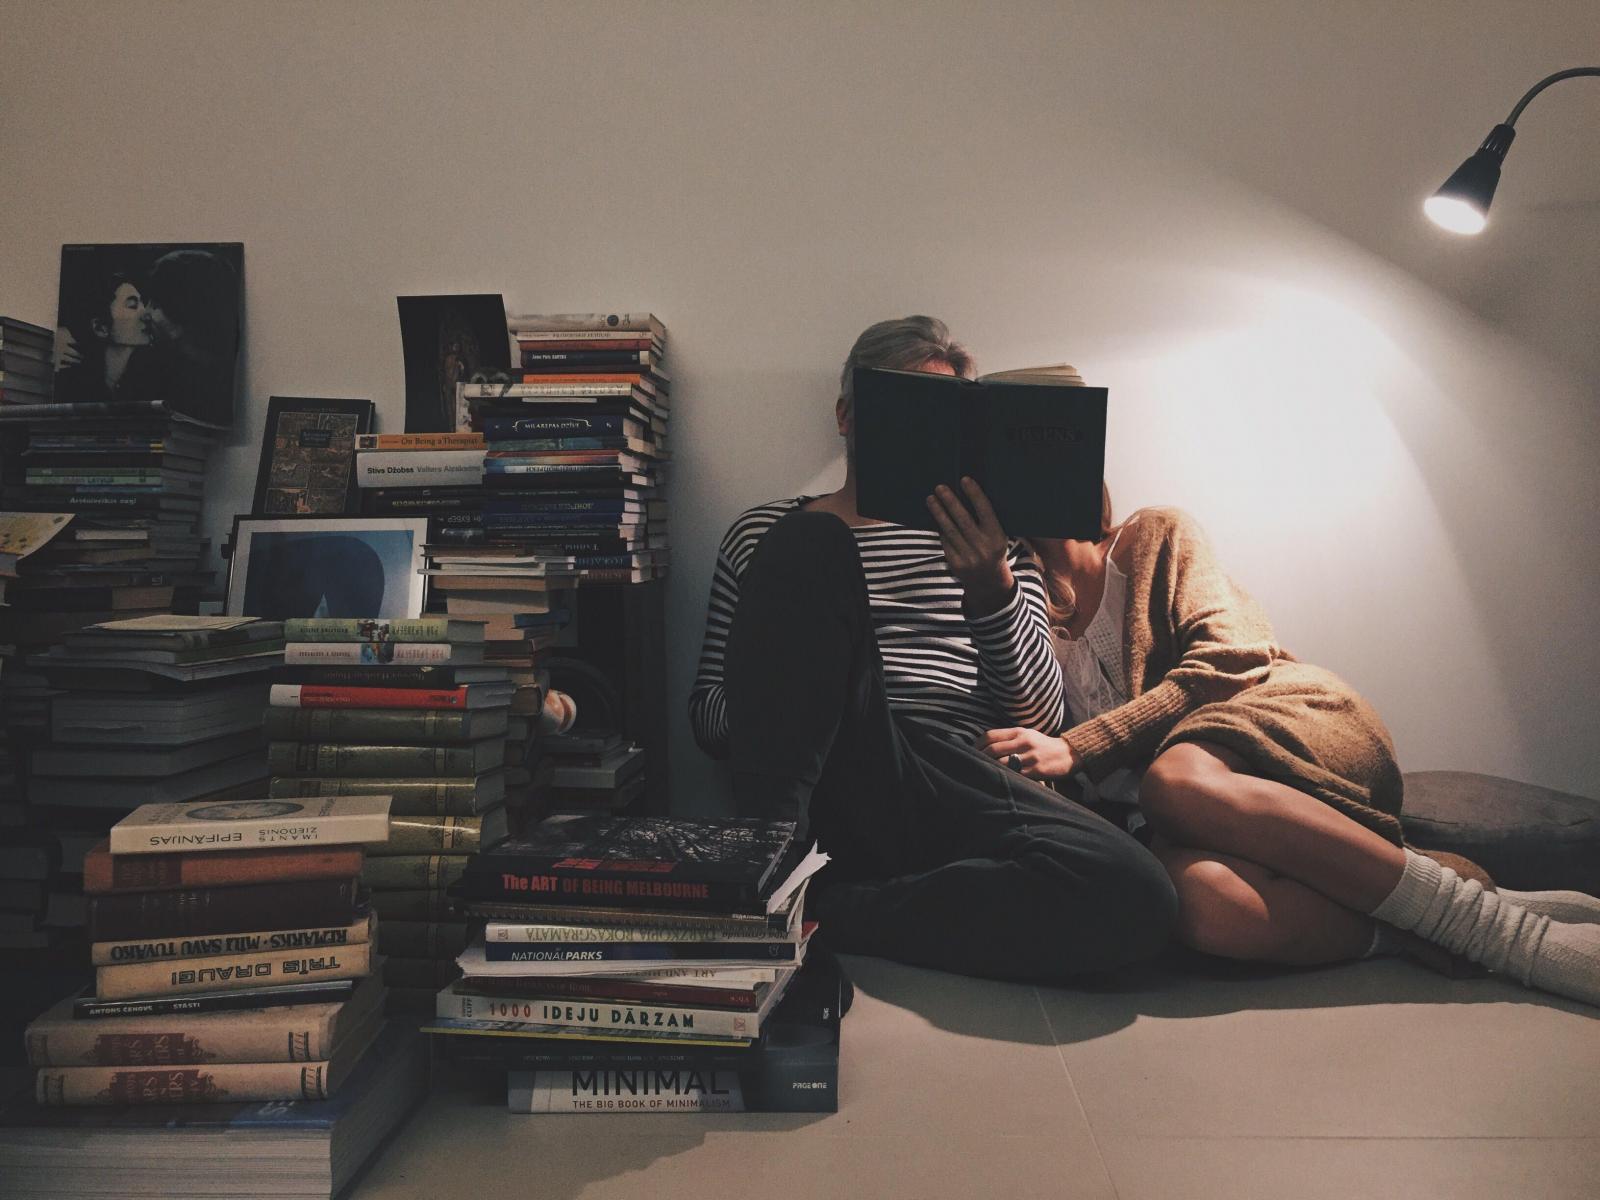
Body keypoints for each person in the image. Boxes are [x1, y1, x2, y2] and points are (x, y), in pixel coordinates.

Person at [979, 367, 1600, 1006]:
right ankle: (1426, 920)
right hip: (1178, 818)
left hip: (1283, 723)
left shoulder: (1155, 534)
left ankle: (1503, 935)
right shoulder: (1013, 609)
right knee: (1204, 906)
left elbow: (1231, 659)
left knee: (1176, 779)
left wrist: (1080, 746)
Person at [688, 318, 1178, 983]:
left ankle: (828, 910)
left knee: (1137, 894)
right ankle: (774, 875)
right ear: (846, 416)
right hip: (824, 770)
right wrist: (797, 700)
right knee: (812, 542)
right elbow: (708, 717)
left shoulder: (998, 545)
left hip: (950, 765)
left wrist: (991, 588)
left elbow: (1040, 715)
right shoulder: (770, 534)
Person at [52, 272, 158, 403]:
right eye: (132, 306)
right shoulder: (72, 387)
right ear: (101, 328)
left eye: (142, 304)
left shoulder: (152, 378)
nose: (147, 315)